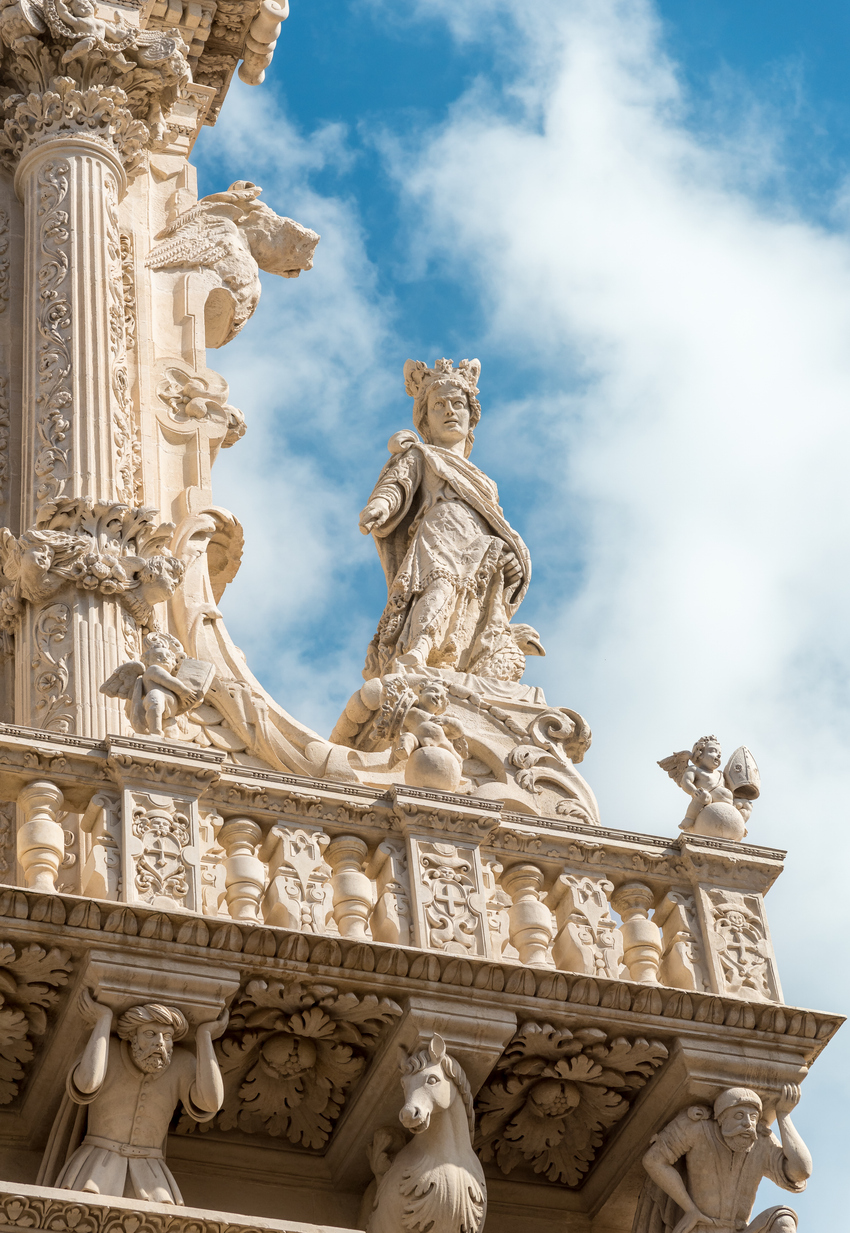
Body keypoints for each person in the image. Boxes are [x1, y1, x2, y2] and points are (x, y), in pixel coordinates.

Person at [359, 358, 531, 681]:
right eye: (439, 405)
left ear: (471, 416)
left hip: (478, 547)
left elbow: (494, 525)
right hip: (438, 532)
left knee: (473, 602)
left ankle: (462, 659)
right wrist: (380, 505)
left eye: (458, 404)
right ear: (425, 418)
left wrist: (508, 556)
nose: (450, 411)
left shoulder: (485, 482)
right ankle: (419, 652)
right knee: (438, 586)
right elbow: (399, 483)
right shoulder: (421, 455)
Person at [54, 992, 227, 1203]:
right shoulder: (112, 1052)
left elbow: (211, 1102)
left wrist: (204, 1036)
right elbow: (87, 1083)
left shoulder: (181, 1063)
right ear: (132, 1036)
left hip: (151, 1172)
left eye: (168, 1036)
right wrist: (104, 1020)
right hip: (97, 1163)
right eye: (150, 1033)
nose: (160, 1043)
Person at [638, 1085, 811, 1233]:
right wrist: (690, 1210)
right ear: (720, 1118)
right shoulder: (697, 1127)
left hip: (739, 1229)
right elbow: (654, 1160)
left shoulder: (761, 1141)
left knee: (783, 1220)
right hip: (702, 1228)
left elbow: (800, 1171)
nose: (747, 1124)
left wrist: (783, 1114)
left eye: (753, 1118)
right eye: (738, 1115)